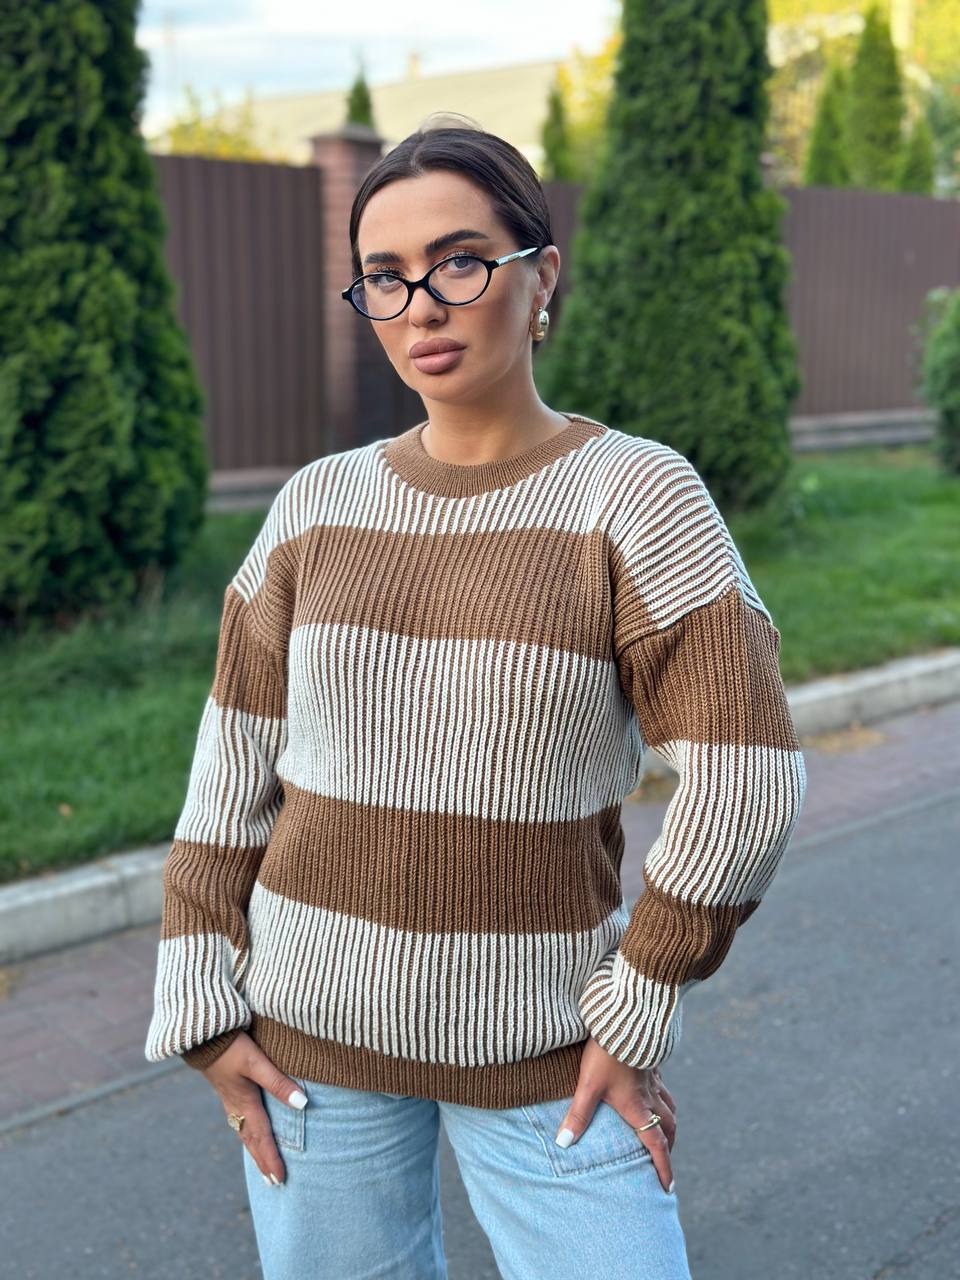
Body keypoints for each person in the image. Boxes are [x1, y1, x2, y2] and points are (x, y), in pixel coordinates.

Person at [144, 116, 807, 1279]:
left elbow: (745, 780)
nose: (421, 307)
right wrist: (202, 995)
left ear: (541, 275)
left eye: (459, 261)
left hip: (551, 1052)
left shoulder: (635, 496)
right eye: (385, 276)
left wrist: (640, 999)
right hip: (307, 1053)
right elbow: (232, 763)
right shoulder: (313, 505)